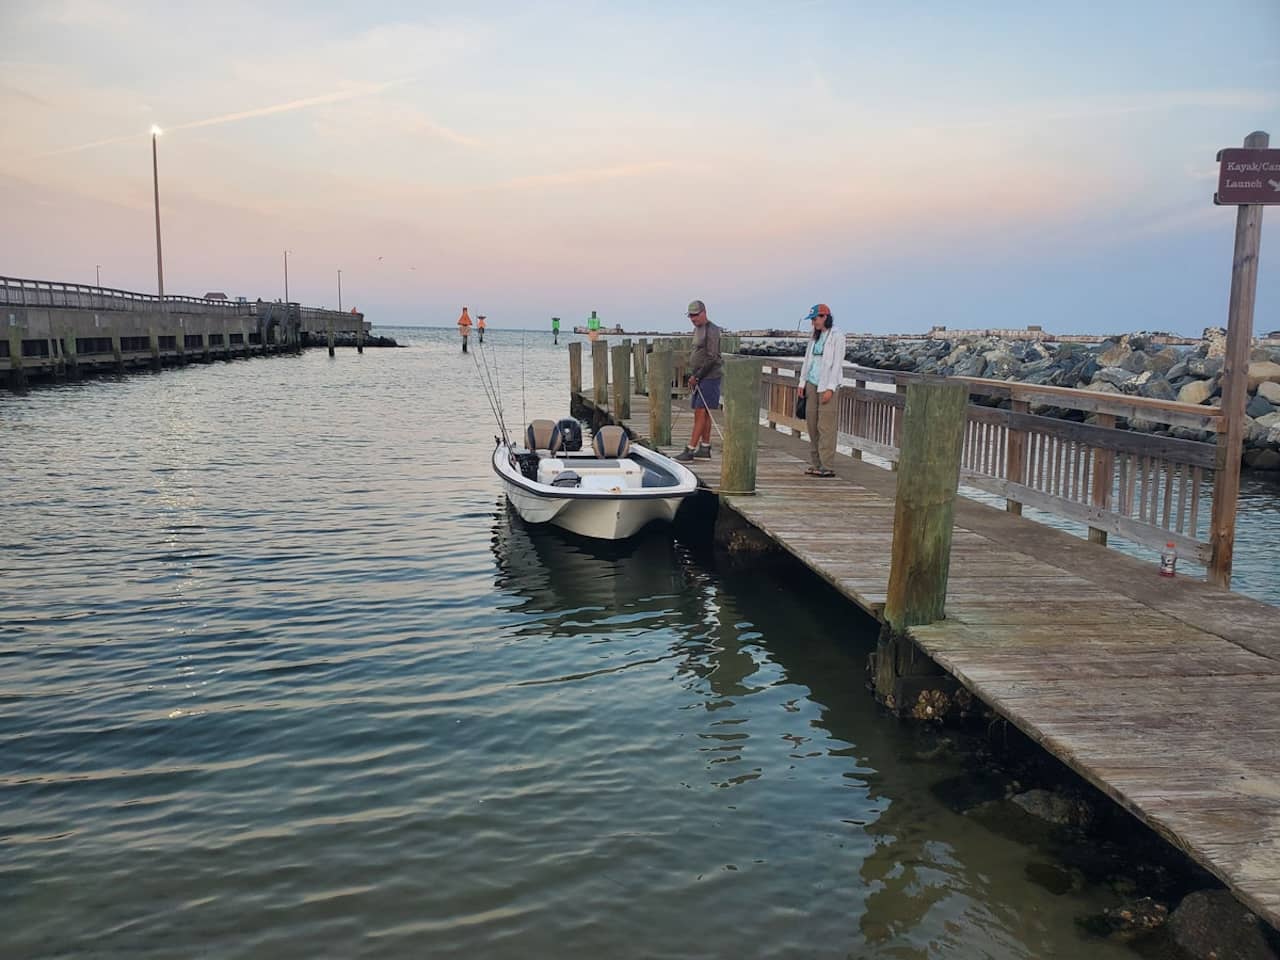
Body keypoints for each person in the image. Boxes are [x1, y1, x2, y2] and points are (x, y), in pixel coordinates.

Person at [797, 303, 845, 477]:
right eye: (812, 320)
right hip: (811, 382)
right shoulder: (814, 336)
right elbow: (807, 360)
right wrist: (802, 382)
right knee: (812, 423)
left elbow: (837, 364)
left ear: (825, 317)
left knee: (826, 426)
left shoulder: (837, 336)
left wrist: (830, 388)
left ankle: (827, 465)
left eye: (816, 319)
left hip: (827, 385)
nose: (814, 323)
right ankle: (816, 463)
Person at [674, 299, 722, 462]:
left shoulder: (712, 330)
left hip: (709, 377)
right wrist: (693, 374)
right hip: (699, 377)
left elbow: (712, 357)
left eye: (695, 315)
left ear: (704, 312)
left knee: (701, 412)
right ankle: (705, 447)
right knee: (703, 412)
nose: (693, 319)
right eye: (690, 316)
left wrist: (698, 376)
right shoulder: (697, 329)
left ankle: (690, 449)